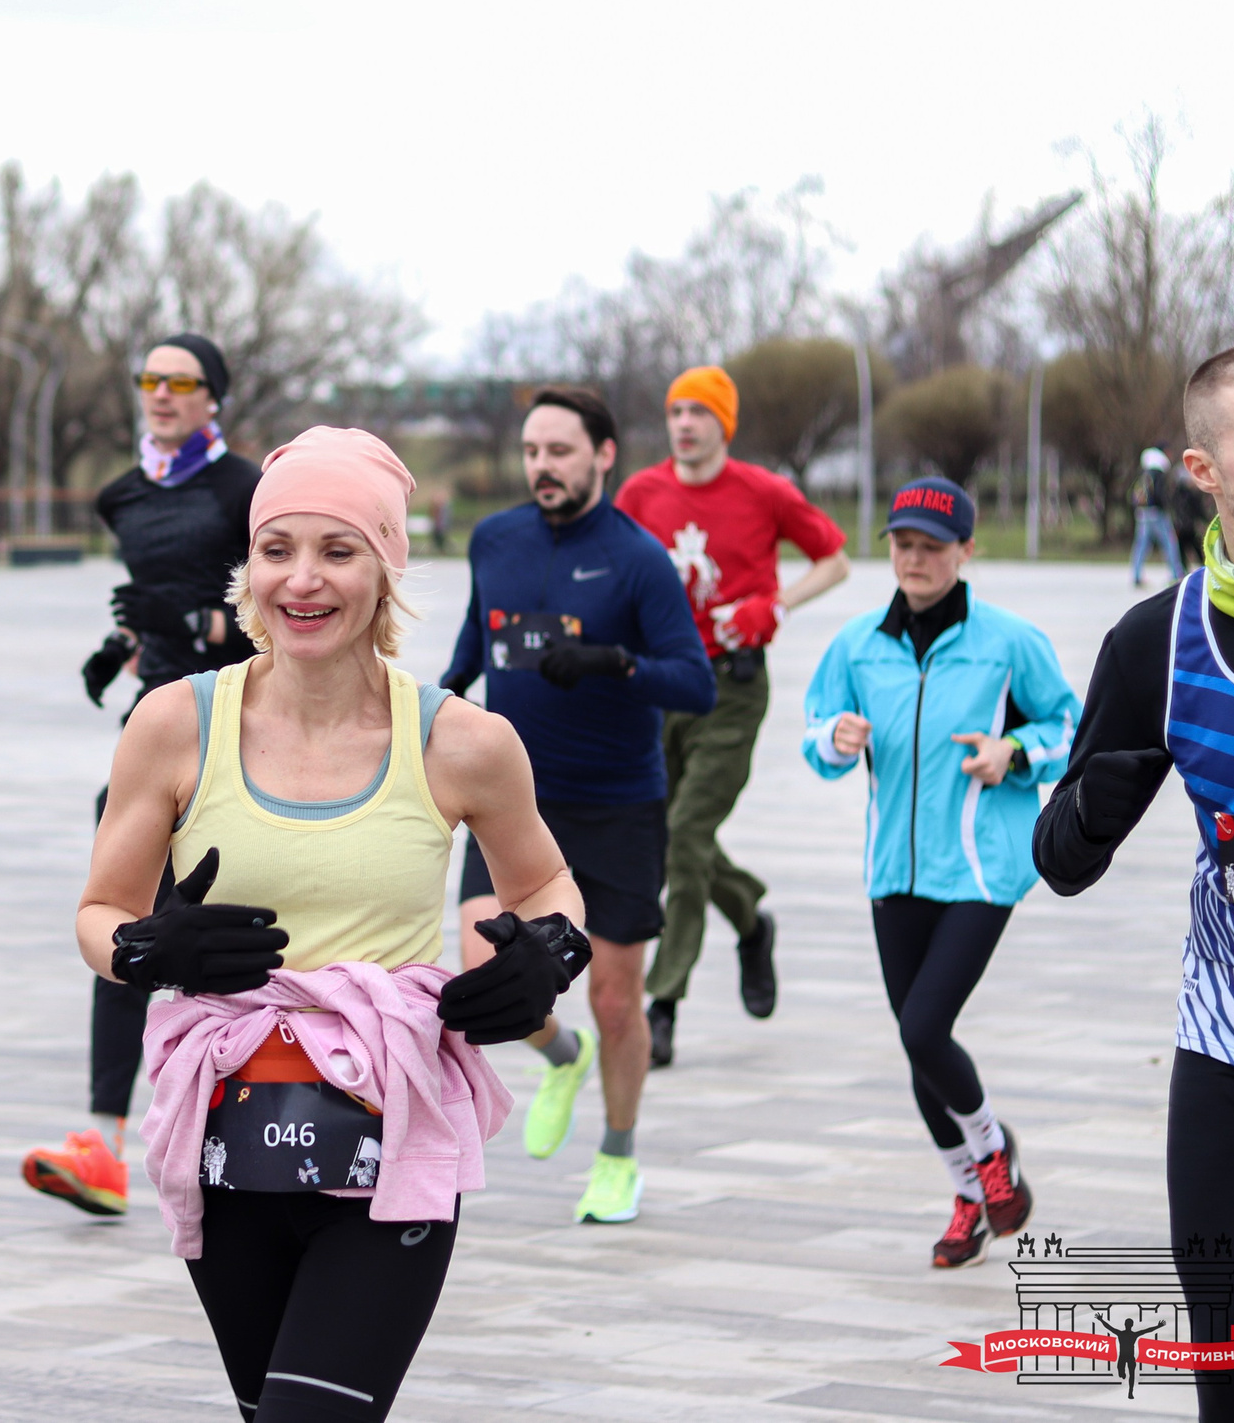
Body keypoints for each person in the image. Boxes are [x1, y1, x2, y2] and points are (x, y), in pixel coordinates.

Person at [80, 425, 590, 1420]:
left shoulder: (462, 741)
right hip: (224, 1138)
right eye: (276, 550)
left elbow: (548, 884)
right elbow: (100, 912)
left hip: (389, 1134)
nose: (301, 580)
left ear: (386, 570)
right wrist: (146, 948)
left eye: (337, 550)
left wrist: (549, 953)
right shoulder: (174, 723)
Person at [1034, 347, 1234, 1420]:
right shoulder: (1156, 641)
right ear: (1203, 470)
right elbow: (1060, 862)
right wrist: (1099, 801)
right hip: (1231, 1063)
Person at [440, 387, 714, 1223]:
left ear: (603, 455)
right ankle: (560, 1055)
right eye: (531, 450)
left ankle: (618, 1156)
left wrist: (612, 663)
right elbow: (470, 649)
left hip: (618, 805)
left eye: (559, 450)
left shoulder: (638, 559)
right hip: (514, 800)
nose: (541, 466)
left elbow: (695, 682)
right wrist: (430, 707)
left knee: (615, 997)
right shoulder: (495, 538)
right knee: (482, 967)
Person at [800, 476, 1075, 1268]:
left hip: (983, 869)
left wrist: (1013, 753)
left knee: (925, 1025)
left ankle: (994, 1150)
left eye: (932, 545)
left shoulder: (1010, 640)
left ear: (966, 550)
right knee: (919, 1043)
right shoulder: (857, 643)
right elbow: (814, 736)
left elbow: (1069, 722)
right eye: (902, 543)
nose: (914, 558)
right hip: (893, 869)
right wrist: (837, 739)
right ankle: (969, 1193)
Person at [25, 332, 261, 1217]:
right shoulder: (120, 497)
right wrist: (122, 643)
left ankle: (248, 1108)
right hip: (154, 726)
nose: (160, 393)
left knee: (236, 916)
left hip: (245, 718)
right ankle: (104, 1142)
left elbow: (280, 617)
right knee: (123, 918)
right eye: (149, 379)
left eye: (181, 381)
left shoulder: (246, 491)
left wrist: (200, 625)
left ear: (214, 397)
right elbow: (149, 597)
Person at [615, 364, 851, 1068]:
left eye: (698, 412)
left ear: (724, 422)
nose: (684, 423)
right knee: (664, 831)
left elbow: (834, 559)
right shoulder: (640, 492)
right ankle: (749, 916)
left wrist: (772, 606)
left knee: (685, 832)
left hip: (731, 688)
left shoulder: (764, 491)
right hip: (659, 684)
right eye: (675, 411)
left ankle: (662, 1005)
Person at [1132, 446, 1185, 586]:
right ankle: (1176, 573)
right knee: (1169, 543)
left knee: (1141, 545)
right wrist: (1167, 508)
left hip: (1143, 513)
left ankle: (1136, 575)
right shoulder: (1159, 474)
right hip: (1157, 513)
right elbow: (1161, 495)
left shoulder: (1144, 473)